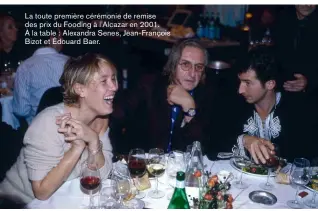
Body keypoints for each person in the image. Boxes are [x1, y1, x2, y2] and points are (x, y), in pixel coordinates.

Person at [0, 53, 118, 203]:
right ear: (80, 89)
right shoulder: (49, 123)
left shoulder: (101, 120)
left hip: (66, 198)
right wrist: (77, 147)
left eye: (113, 78)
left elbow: (102, 176)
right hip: (19, 202)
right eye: (104, 81)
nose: (114, 87)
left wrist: (94, 141)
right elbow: (41, 192)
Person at [110, 39, 212, 154]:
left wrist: (189, 107)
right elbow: (114, 116)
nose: (192, 74)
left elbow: (199, 150)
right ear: (173, 65)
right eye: (185, 65)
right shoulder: (149, 85)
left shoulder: (207, 95)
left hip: (180, 169)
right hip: (144, 165)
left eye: (198, 67)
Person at [234, 46, 315, 163]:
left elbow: (306, 154)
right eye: (240, 82)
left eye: (247, 83)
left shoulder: (297, 111)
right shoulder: (236, 105)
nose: (240, 90)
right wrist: (244, 140)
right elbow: (214, 142)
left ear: (270, 84)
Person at [12, 27, 68, 125]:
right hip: (71, 125)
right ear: (51, 38)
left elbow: (21, 110)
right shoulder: (71, 62)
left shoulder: (24, 67)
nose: (63, 40)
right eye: (60, 37)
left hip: (39, 128)